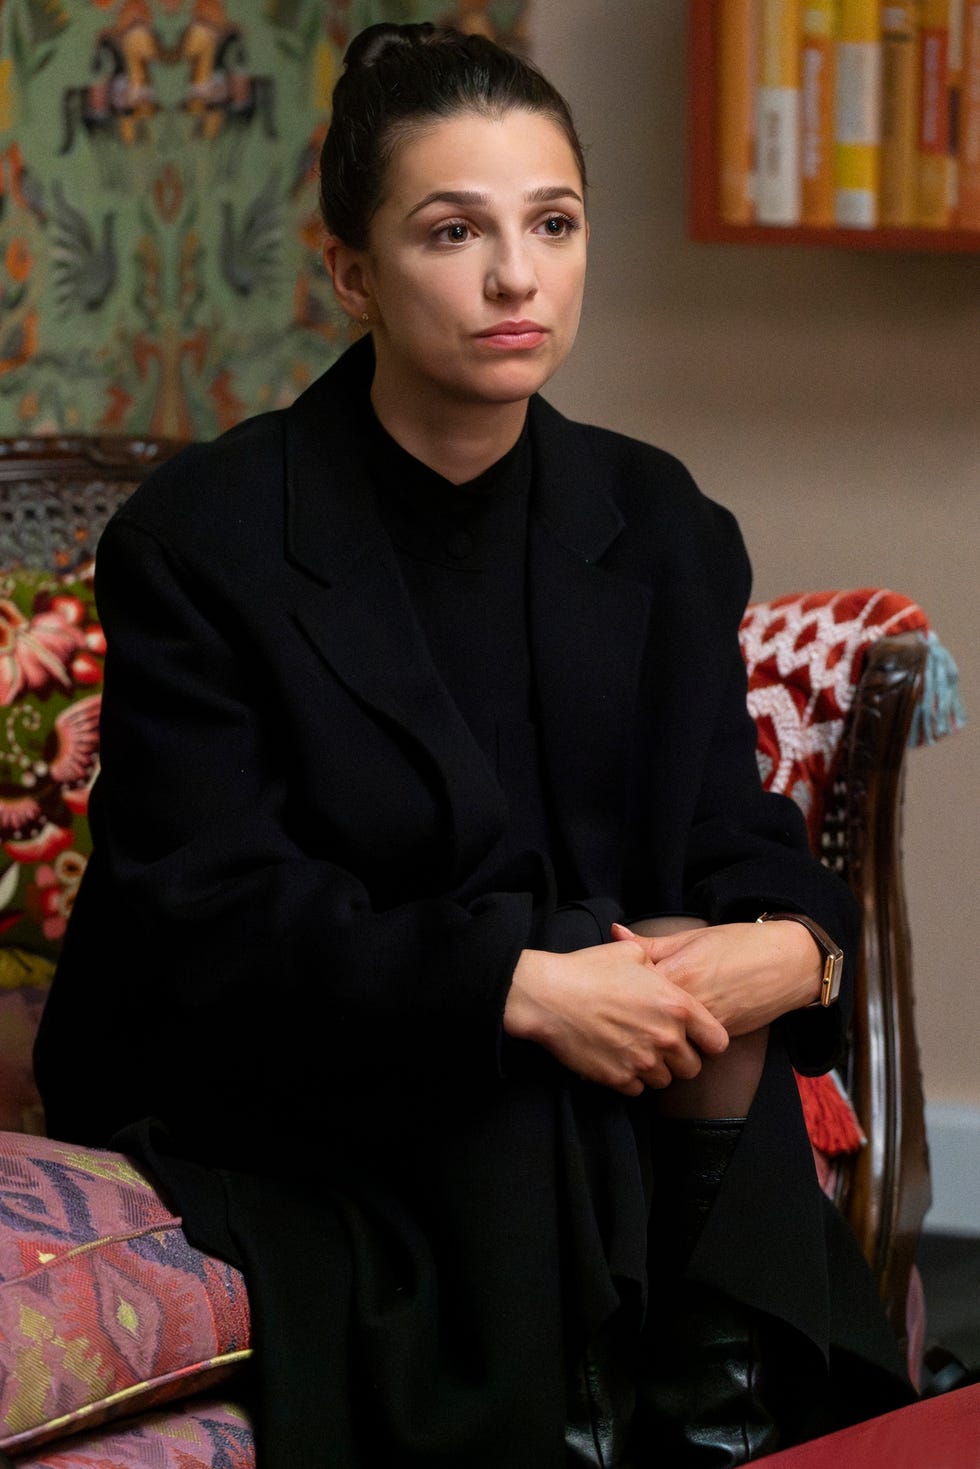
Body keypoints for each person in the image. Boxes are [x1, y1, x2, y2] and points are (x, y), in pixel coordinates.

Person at [35, 23, 915, 1468]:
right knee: (532, 1038)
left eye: (553, 224)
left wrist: (795, 949)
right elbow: (213, 911)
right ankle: (578, 1426)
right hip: (271, 1040)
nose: (519, 277)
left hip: (583, 1023)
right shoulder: (209, 538)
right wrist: (518, 987)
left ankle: (713, 1423)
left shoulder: (659, 522)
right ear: (352, 273)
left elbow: (727, 836)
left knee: (696, 964)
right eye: (456, 231)